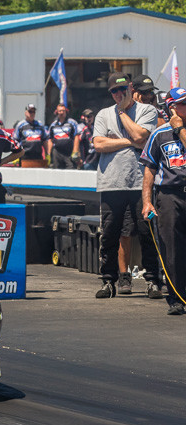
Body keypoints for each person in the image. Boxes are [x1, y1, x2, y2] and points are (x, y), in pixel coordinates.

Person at [92, 72, 162, 299]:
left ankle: (152, 281)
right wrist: (129, 142)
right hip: (111, 183)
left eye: (123, 89)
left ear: (131, 88)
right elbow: (98, 144)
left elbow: (141, 136)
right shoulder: (103, 114)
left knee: (147, 232)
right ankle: (108, 280)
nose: (119, 94)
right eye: (114, 91)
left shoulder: (147, 110)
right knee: (110, 234)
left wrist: (122, 113)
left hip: (140, 183)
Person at [141, 88, 186, 315]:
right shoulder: (159, 134)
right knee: (172, 248)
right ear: (172, 108)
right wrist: (147, 202)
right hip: (169, 195)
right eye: (183, 104)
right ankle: (176, 298)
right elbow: (149, 170)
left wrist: (180, 129)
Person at [47, 103, 80, 169]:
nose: (61, 113)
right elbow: (50, 140)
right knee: (57, 171)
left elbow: (76, 137)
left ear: (66, 111)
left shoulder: (72, 123)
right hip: (57, 152)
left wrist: (75, 151)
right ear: (56, 112)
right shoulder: (53, 125)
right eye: (60, 111)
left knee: (71, 170)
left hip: (69, 152)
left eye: (63, 111)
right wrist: (48, 154)